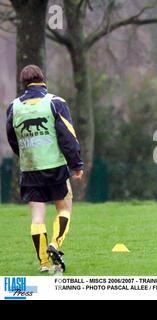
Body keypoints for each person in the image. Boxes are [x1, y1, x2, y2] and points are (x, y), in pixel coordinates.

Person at [6, 65, 84, 272]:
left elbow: (12, 138)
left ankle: (43, 263)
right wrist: (76, 163)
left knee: (37, 216)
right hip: (55, 167)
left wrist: (25, 155)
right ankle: (55, 245)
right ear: (42, 79)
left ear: (23, 83)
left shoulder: (13, 107)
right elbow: (67, 136)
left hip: (30, 168)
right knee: (64, 208)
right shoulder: (55, 102)